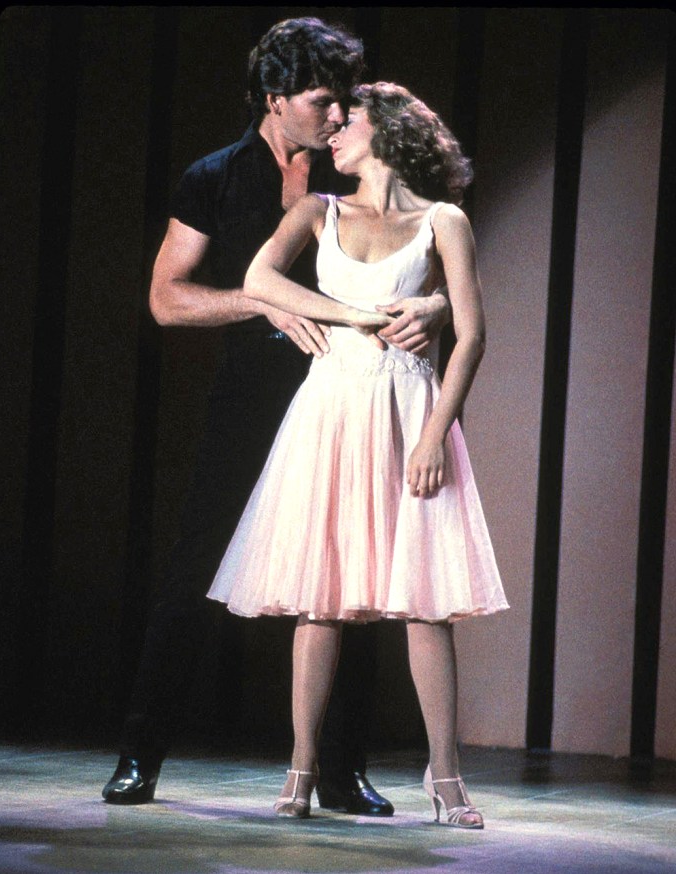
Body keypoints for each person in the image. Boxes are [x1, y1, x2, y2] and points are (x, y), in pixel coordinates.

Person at [102, 20, 450, 813]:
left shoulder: (353, 180)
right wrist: (258, 299)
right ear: (275, 99)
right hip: (255, 395)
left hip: (349, 395)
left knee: (351, 577)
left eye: (343, 106)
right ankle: (139, 754)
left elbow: (426, 247)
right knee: (195, 571)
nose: (336, 119)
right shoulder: (217, 176)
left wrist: (428, 304)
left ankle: (338, 767)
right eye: (323, 103)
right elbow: (166, 297)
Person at [207, 82, 509, 827]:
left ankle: (447, 781)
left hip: (408, 409)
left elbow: (470, 334)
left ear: (391, 133)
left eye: (349, 122)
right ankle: (301, 771)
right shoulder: (319, 211)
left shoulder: (445, 221)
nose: (333, 131)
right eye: (332, 120)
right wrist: (350, 315)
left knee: (425, 600)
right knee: (319, 598)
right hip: (332, 406)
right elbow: (257, 278)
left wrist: (436, 433)